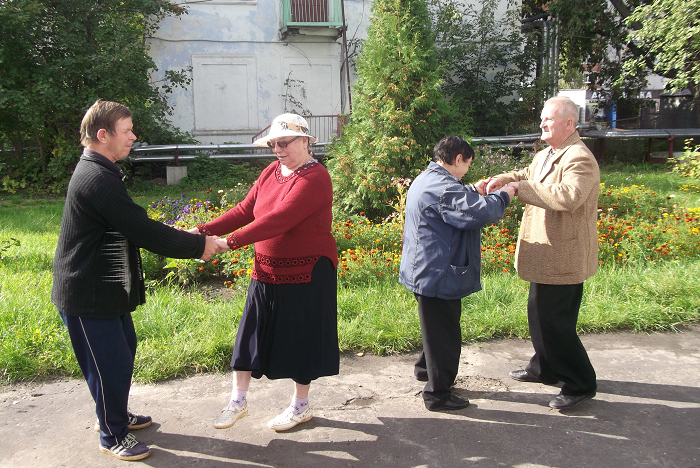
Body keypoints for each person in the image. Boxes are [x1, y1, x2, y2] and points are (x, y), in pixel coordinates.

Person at [52, 100, 227, 461]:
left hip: (106, 288)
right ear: (103, 135)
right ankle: (111, 433)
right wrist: (199, 245)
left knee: (122, 353)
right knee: (108, 364)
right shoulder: (97, 179)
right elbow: (141, 229)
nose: (133, 136)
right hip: (86, 293)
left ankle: (116, 413)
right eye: (127, 130)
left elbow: (130, 227)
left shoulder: (102, 170)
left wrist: (187, 236)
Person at [188, 114, 339, 432]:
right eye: (273, 144)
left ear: (305, 141)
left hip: (308, 272)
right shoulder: (272, 171)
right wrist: (202, 231)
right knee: (249, 335)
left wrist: (228, 243)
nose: (278, 150)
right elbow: (245, 210)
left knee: (301, 339)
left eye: (284, 143)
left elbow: (278, 220)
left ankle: (301, 406)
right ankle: (237, 402)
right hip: (266, 270)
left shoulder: (316, 178)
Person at [485, 95, 599, 409]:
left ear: (568, 123)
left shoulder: (579, 157)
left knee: (556, 323)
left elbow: (569, 196)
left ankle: (579, 383)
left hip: (565, 256)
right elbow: (527, 174)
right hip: (546, 255)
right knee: (539, 316)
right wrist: (505, 180)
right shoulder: (550, 153)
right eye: (542, 119)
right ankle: (544, 367)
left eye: (548, 119)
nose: (541, 124)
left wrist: (521, 190)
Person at [399, 136, 515, 411]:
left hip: (425, 270)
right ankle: (438, 394)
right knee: (445, 335)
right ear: (458, 158)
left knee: (435, 328)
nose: (467, 171)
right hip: (437, 273)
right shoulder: (442, 188)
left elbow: (457, 198)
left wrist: (475, 188)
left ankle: (425, 370)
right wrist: (505, 194)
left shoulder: (429, 178)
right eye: (467, 165)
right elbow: (481, 213)